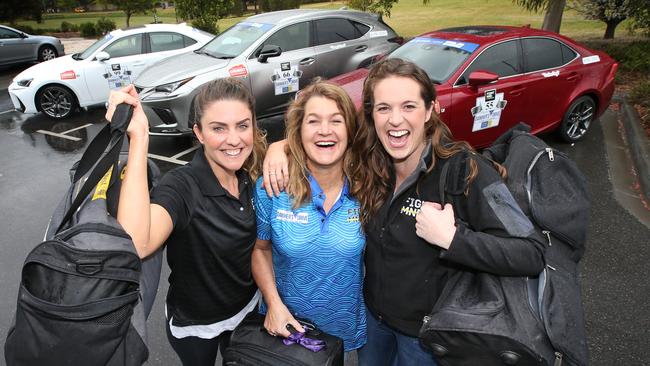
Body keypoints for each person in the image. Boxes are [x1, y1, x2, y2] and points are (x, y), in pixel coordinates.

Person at [263, 58, 545, 366]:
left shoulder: (466, 170)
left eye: (408, 106)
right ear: (371, 115)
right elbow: (322, 137)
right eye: (384, 108)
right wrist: (281, 148)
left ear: (430, 110)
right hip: (374, 329)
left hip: (425, 339)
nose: (395, 120)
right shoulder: (371, 165)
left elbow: (531, 252)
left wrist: (454, 240)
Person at [105, 78, 267, 366]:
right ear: (199, 133)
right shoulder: (181, 187)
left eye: (243, 125)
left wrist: (282, 150)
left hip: (247, 310)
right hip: (196, 325)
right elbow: (138, 243)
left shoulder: (251, 172)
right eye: (218, 128)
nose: (234, 139)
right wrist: (139, 138)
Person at [251, 80, 367, 359]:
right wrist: (274, 304)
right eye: (313, 121)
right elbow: (260, 250)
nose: (325, 130)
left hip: (343, 328)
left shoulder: (369, 186)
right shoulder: (273, 187)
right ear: (299, 132)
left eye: (336, 121)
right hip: (286, 329)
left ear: (350, 130)